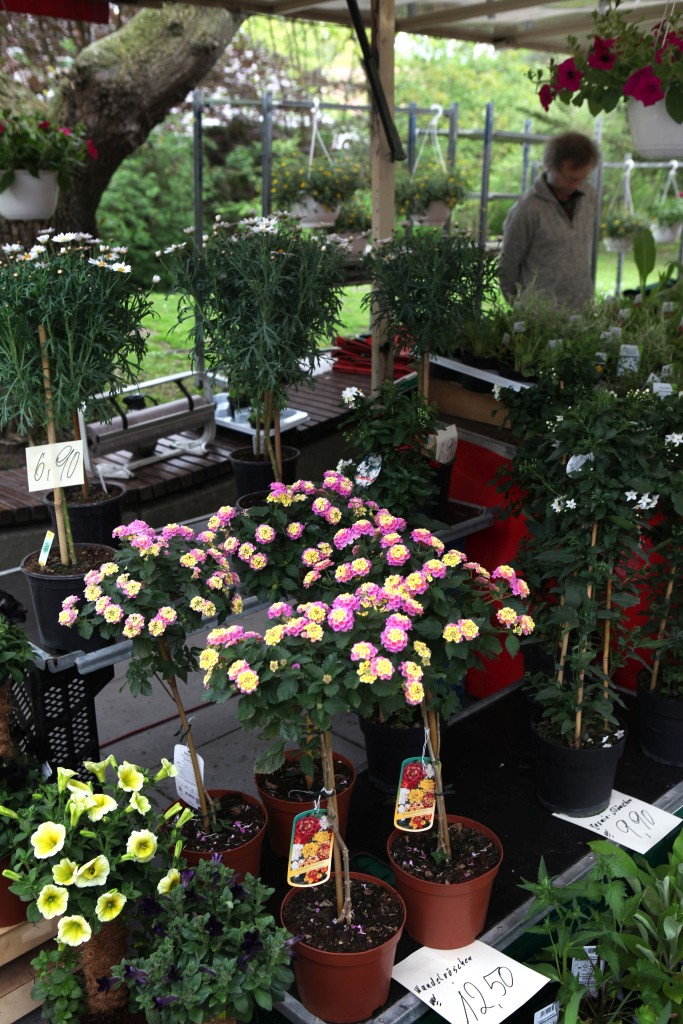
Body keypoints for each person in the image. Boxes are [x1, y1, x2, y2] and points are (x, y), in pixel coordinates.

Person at [498, 131, 600, 311]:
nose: (577, 185)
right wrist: (521, 309)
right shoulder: (527, 209)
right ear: (550, 166)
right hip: (540, 313)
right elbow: (508, 267)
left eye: (583, 179)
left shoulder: (589, 195)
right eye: (571, 179)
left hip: (583, 309)